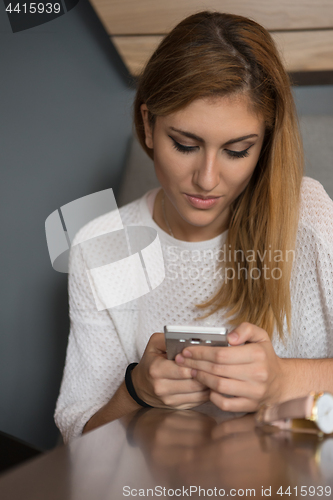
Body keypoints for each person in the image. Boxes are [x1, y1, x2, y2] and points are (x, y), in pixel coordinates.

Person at [54, 11, 333, 443]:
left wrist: (282, 379)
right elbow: (78, 432)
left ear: (265, 144)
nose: (206, 179)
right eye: (185, 145)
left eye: (237, 151)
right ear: (147, 125)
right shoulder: (101, 248)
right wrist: (136, 390)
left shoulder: (307, 217)